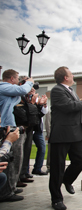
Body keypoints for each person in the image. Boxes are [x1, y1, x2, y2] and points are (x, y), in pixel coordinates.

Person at [49, 66, 82, 210]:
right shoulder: (57, 90)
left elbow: (78, 107)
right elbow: (69, 107)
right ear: (65, 77)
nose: (73, 75)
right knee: (58, 167)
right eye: (71, 74)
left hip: (76, 134)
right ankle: (56, 198)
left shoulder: (71, 91)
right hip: (62, 135)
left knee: (80, 161)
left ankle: (67, 180)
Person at [0, 69, 33, 202]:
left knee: (13, 160)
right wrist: (29, 83)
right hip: (6, 126)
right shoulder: (3, 86)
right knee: (8, 160)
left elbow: (21, 94)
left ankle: (10, 187)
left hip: (10, 125)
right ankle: (6, 191)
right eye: (18, 79)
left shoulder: (9, 90)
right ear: (12, 79)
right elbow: (21, 91)